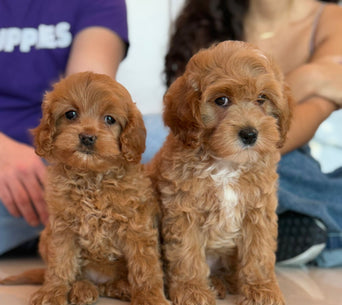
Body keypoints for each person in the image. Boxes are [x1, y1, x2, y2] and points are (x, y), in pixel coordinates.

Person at [148, 0, 342, 267]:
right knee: (148, 147)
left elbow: (309, 111)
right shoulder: (207, 14)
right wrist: (308, 77)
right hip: (203, 147)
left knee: (290, 170)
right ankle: (302, 216)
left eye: (262, 97)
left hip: (286, 148)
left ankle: (295, 224)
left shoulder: (331, 18)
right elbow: (189, 117)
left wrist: (289, 88)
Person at [0, 0, 128, 256]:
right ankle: (77, 229)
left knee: (161, 138)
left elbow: (88, 99)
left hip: (62, 156)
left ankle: (55, 225)